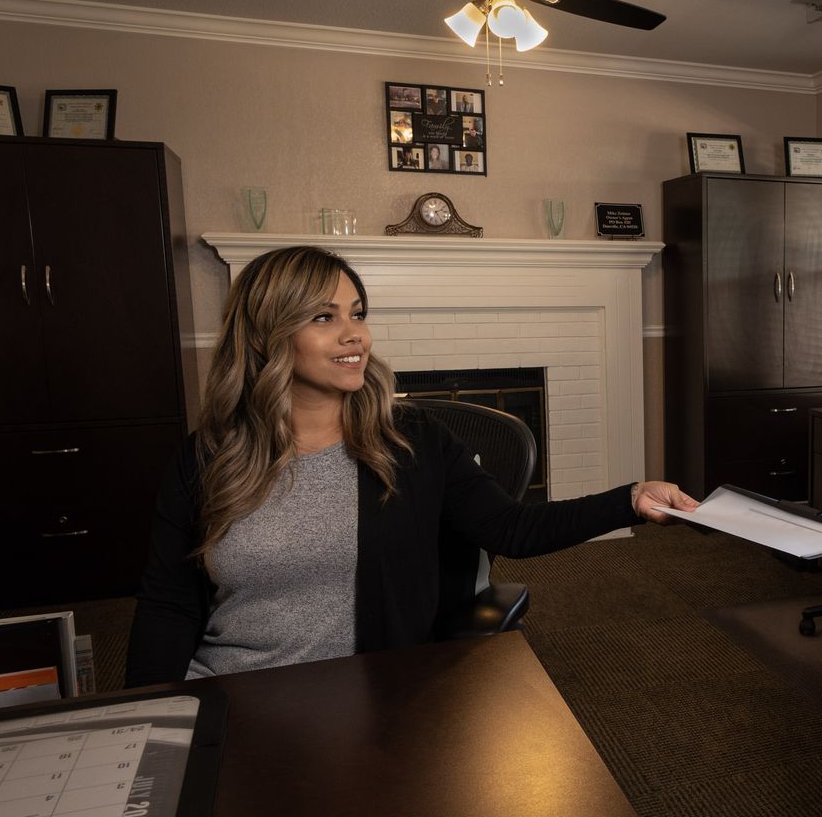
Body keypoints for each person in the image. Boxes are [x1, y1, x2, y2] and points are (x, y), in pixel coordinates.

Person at [126, 245, 696, 685]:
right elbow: (168, 602)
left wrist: (631, 499)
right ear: (262, 340)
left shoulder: (411, 443)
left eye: (357, 313)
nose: (356, 335)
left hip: (364, 694)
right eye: (323, 317)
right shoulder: (209, 455)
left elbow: (513, 529)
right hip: (226, 693)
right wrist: (152, 715)